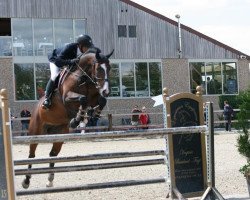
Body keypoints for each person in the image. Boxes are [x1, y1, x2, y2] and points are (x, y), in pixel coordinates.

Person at [42, 34, 100, 109]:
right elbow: (58, 61)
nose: (88, 49)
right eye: (87, 47)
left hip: (66, 62)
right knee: (55, 75)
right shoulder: (70, 47)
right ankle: (47, 98)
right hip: (55, 60)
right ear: (81, 45)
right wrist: (70, 61)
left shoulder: (83, 53)